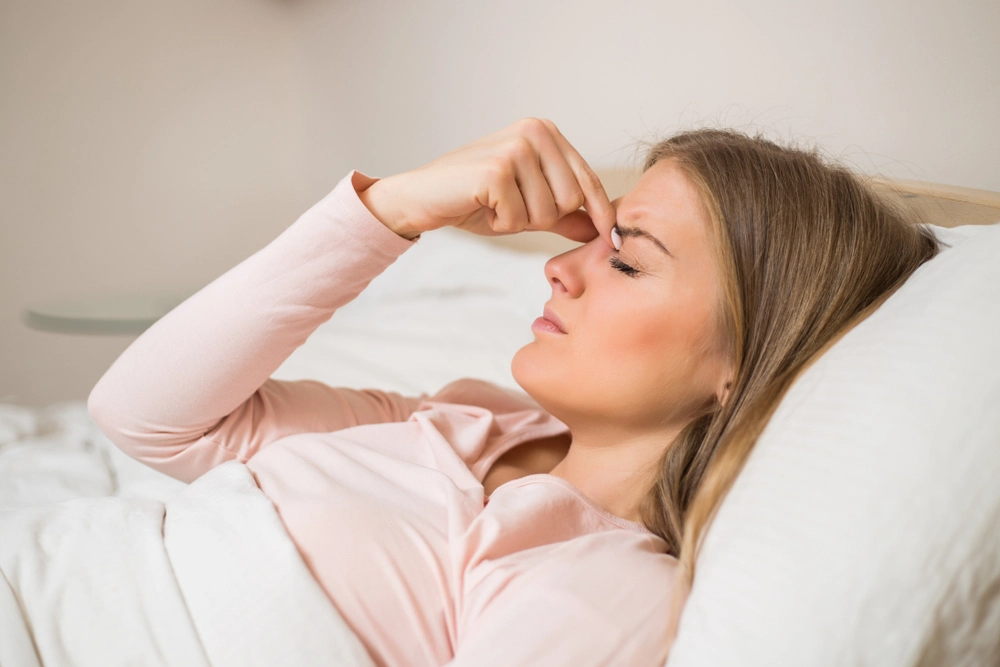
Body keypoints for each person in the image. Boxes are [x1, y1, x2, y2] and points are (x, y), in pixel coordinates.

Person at [88, 118, 940, 666]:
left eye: (625, 258)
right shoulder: (469, 419)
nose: (558, 268)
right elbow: (145, 417)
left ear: (744, 365)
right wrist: (392, 209)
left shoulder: (607, 585)